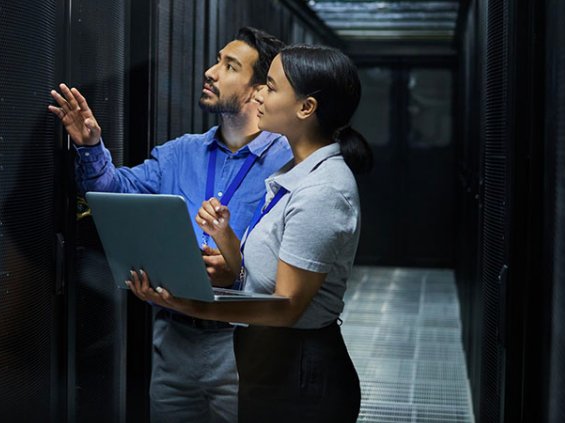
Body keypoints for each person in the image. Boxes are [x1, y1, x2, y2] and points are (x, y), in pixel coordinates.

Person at [49, 28, 289, 422]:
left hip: (244, 342)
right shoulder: (181, 153)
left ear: (259, 90)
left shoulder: (286, 162)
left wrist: (236, 269)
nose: (210, 71)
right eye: (216, 60)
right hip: (173, 336)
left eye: (229, 67)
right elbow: (115, 190)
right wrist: (91, 146)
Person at [126, 44, 373, 422]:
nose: (260, 94)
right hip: (273, 365)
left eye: (271, 88)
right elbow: (256, 279)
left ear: (306, 108)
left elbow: (286, 307)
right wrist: (224, 236)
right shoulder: (295, 172)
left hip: (301, 374)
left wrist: (186, 304)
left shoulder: (322, 190)